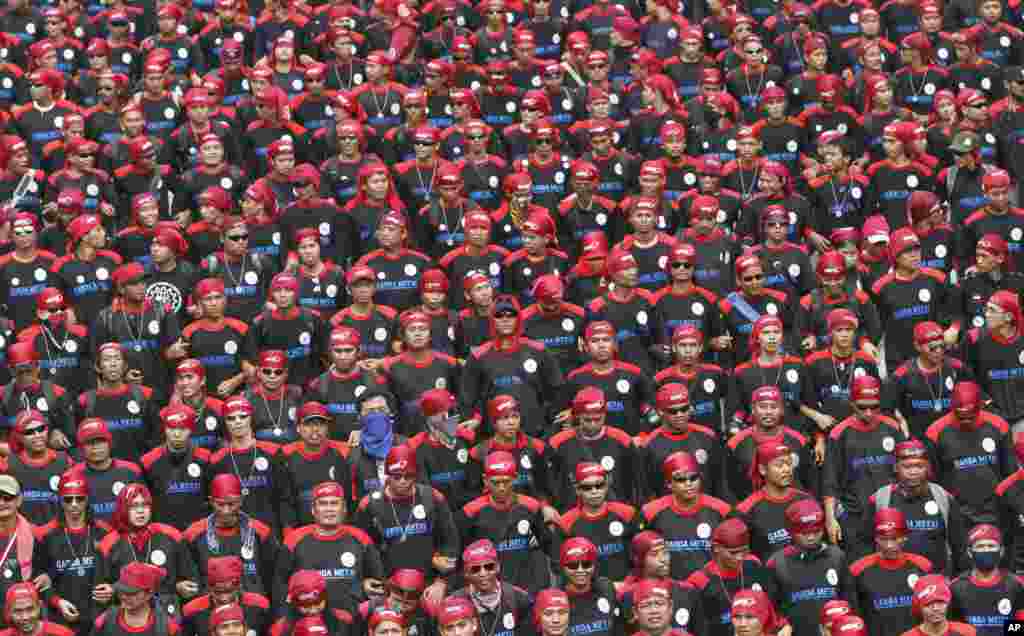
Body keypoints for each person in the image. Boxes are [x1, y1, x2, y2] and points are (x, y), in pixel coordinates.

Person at [457, 451, 555, 594]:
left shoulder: (531, 507)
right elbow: (460, 554)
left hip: (527, 587)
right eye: (496, 482)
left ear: (515, 477)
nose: (502, 487)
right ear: (485, 480)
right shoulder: (470, 512)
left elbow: (547, 544)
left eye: (506, 481)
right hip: (488, 590)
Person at [865, 440, 968, 576]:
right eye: (907, 467)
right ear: (896, 467)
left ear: (928, 467)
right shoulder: (880, 499)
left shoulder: (943, 498)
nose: (913, 472)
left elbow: (959, 546)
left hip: (935, 580)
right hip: (892, 579)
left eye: (919, 466)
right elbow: (865, 546)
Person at [94, 483, 199, 617]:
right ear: (123, 508)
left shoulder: (171, 536)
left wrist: (180, 587)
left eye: (145, 505)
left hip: (166, 615)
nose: (140, 511)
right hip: (127, 616)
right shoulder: (109, 544)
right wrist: (109, 593)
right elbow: (100, 592)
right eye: (133, 506)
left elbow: (192, 579)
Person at [924, 381, 1013, 527]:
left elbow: (1009, 472)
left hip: (995, 509)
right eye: (961, 416)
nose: (966, 421)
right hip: (957, 511)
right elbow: (934, 477)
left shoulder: (999, 426)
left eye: (971, 416)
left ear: (980, 406)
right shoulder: (935, 432)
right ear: (952, 408)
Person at [182, 474, 279, 600]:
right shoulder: (193, 535)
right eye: (220, 504)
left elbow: (275, 577)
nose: (226, 511)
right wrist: (179, 586)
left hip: (252, 607)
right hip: (212, 606)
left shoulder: (261, 533)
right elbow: (184, 576)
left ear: (241, 500)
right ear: (211, 501)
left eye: (231, 504)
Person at [766, 499, 852, 636]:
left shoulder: (837, 557)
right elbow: (769, 609)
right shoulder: (777, 563)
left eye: (816, 531)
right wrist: (782, 624)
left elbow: (850, 602)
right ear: (791, 531)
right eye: (804, 533)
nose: (811, 537)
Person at [641, 451, 731, 581]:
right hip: (670, 586)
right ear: (669, 483)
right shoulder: (650, 512)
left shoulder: (722, 510)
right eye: (680, 479)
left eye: (693, 478)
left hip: (712, 585)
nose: (688, 483)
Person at [685, 518, 777, 636]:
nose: (740, 557)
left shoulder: (753, 565)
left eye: (744, 551)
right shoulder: (699, 582)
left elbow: (770, 610)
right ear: (717, 548)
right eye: (733, 553)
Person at [848, 509, 933, 636]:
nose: (889, 545)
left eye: (895, 539)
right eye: (883, 539)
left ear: (905, 536)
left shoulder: (923, 567)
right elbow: (853, 618)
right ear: (875, 538)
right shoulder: (857, 570)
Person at [140, 403, 211, 531]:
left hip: (197, 532)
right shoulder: (148, 462)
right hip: (162, 533)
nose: (177, 434)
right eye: (172, 428)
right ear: (164, 428)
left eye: (182, 429)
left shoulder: (205, 458)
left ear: (191, 429)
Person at [179, 557, 270, 636]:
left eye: (229, 591)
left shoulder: (259, 606)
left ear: (239, 586)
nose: (224, 598)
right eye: (218, 592)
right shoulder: (192, 611)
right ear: (209, 588)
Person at [92, 562, 180, 636]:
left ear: (149, 594)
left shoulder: (167, 628)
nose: (123, 596)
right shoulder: (106, 620)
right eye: (121, 590)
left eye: (131, 593)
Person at [901, 574, 976, 636]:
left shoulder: (967, 632)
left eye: (940, 602)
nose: (935, 608)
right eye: (928, 604)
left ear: (948, 603)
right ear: (920, 607)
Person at [0, 583, 74, 636]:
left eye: (30, 609)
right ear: (9, 612)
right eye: (18, 611)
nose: (25, 617)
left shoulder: (63, 634)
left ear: (39, 607)